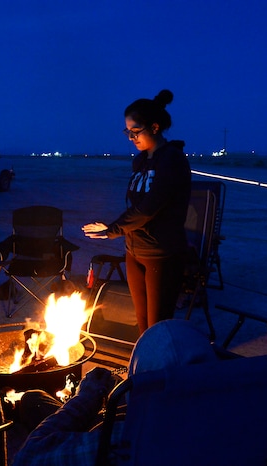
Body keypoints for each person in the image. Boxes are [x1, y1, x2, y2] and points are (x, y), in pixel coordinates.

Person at [13, 319, 216, 465]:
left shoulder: (127, 440)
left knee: (32, 399)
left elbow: (28, 457)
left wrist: (87, 398)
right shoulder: (235, 420)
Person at [82, 89, 191, 333]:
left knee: (158, 326)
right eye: (127, 132)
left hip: (161, 254)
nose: (130, 137)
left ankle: (162, 368)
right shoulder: (140, 161)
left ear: (154, 127)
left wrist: (114, 229)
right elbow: (134, 204)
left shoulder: (172, 160)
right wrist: (118, 230)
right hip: (135, 250)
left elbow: (150, 206)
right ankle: (143, 367)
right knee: (142, 323)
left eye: (135, 131)